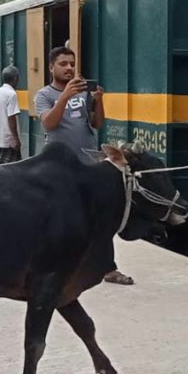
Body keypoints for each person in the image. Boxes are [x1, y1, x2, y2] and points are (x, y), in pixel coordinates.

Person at [34, 46, 134, 285]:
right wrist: (65, 97)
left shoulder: (83, 94)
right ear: (51, 67)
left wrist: (99, 101)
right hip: (60, 167)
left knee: (99, 216)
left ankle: (108, 268)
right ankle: (59, 264)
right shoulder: (44, 95)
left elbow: (97, 124)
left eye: (72, 64)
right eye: (63, 64)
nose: (69, 68)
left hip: (89, 163)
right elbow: (49, 124)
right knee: (60, 217)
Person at [0, 66, 22, 164]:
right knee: (9, 167)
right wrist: (15, 138)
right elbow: (11, 117)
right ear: (15, 78)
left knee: (4, 165)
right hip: (7, 139)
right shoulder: (11, 94)